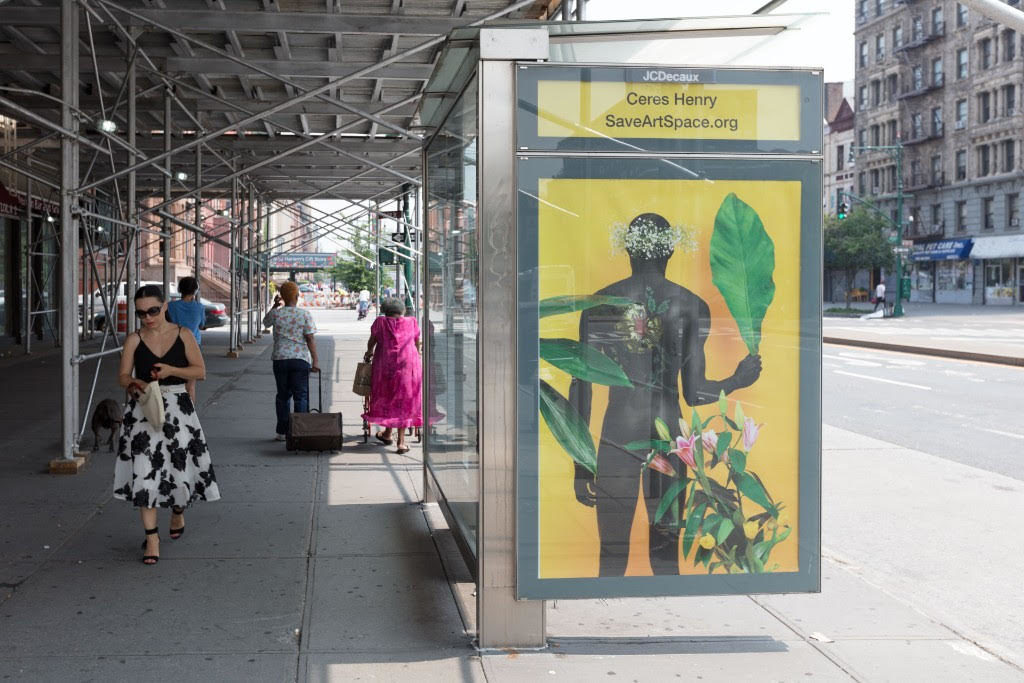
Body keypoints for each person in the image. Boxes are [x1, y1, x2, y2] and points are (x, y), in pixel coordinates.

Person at [569, 213, 761, 577]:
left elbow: (582, 385)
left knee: (611, 554)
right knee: (665, 552)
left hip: (616, 439)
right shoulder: (690, 306)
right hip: (668, 439)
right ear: (670, 250)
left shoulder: (601, 304)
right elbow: (696, 393)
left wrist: (581, 460)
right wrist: (737, 378)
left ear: (628, 248)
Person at [113, 284, 219, 566]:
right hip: (144, 410)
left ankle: (177, 511)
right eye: (141, 313)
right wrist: (136, 385)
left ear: (165, 307)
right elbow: (123, 376)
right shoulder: (134, 340)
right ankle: (152, 538)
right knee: (144, 473)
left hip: (179, 410)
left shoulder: (183, 335)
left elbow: (200, 371)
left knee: (179, 473)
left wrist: (172, 370)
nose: (147, 317)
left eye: (153, 310)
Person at [362, 298, 422, 454]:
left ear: (385, 311)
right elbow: (417, 343)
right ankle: (399, 441)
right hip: (408, 366)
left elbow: (372, 341)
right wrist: (418, 353)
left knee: (388, 397)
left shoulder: (380, 322)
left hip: (385, 367)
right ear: (402, 311)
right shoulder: (412, 322)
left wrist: (369, 353)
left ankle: (389, 434)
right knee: (404, 400)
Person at [263, 281, 320, 441]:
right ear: (297, 296)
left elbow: (265, 322)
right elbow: (310, 338)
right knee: (300, 396)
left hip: (280, 359)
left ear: (282, 296)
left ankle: (282, 431)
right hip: (300, 360)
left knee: (283, 396)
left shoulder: (277, 314)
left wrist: (275, 306)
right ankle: (300, 431)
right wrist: (315, 360)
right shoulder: (304, 314)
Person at [166, 276, 205, 404]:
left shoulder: (170, 306)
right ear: (195, 291)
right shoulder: (200, 307)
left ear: (180, 289)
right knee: (190, 387)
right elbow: (202, 325)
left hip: (174, 345)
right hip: (194, 346)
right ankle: (190, 417)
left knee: (173, 385)